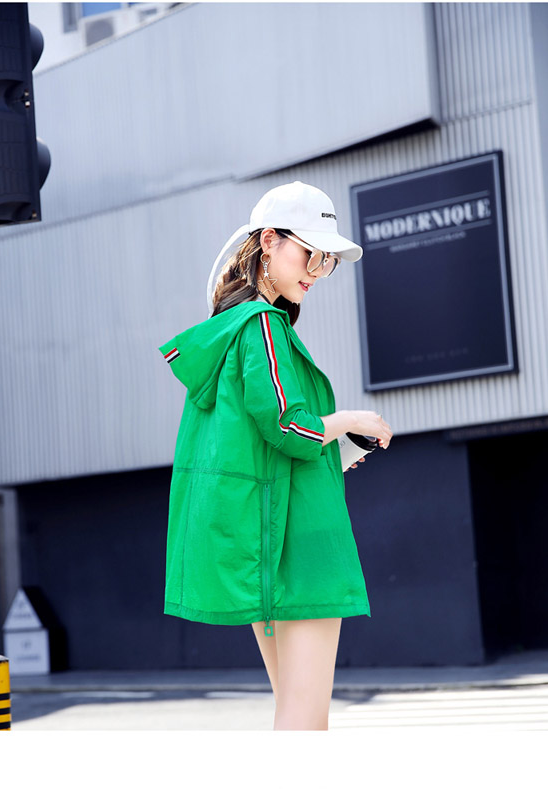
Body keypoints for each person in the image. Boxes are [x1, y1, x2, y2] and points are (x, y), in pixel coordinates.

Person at [158, 180, 393, 730]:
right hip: (301, 548)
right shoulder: (262, 324)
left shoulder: (227, 333)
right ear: (269, 241)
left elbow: (266, 445)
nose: (318, 270)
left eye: (327, 261)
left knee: (293, 714)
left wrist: (334, 450)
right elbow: (289, 425)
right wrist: (349, 421)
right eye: (311, 253)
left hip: (268, 539)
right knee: (305, 721)